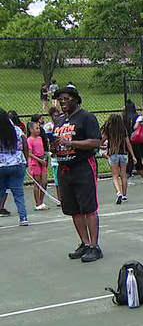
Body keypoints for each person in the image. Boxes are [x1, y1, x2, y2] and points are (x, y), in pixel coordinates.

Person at [52, 86, 104, 262]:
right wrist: (53, 147)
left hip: (83, 167)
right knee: (73, 209)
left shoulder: (86, 118)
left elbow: (96, 142)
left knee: (88, 208)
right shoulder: (59, 121)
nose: (63, 102)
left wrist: (70, 143)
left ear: (75, 99)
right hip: (64, 169)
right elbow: (58, 144)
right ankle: (84, 242)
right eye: (60, 99)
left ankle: (94, 246)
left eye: (66, 98)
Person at [0, 109, 28, 226]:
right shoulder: (16, 129)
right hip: (17, 163)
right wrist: (25, 160)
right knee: (18, 193)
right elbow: (25, 143)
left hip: (1, 164)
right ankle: (23, 217)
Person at [101, 114, 135, 205]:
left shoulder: (108, 130)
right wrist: (133, 155)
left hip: (113, 154)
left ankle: (118, 192)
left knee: (115, 176)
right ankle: (124, 195)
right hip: (123, 154)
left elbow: (101, 141)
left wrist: (99, 146)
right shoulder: (123, 130)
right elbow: (128, 143)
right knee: (123, 175)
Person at [26, 121, 48, 210]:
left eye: (39, 128)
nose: (38, 130)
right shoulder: (29, 140)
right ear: (31, 130)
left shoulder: (39, 138)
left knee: (44, 182)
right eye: (36, 128)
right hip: (35, 163)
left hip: (42, 161)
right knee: (37, 183)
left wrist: (44, 159)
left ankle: (42, 201)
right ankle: (37, 203)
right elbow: (30, 153)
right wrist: (39, 160)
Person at [123, 100, 143, 179]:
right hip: (136, 139)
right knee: (138, 158)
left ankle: (126, 177)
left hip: (127, 140)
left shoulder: (124, 117)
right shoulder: (137, 116)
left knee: (129, 159)